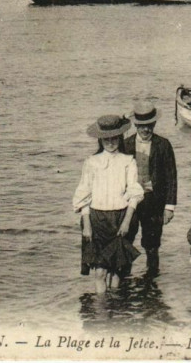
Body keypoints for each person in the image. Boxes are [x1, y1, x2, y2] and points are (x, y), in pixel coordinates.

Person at [73, 115, 144, 294]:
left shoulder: (128, 161)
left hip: (121, 217)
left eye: (114, 139)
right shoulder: (91, 162)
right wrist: (87, 225)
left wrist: (126, 222)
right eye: (106, 139)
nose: (111, 143)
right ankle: (101, 306)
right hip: (97, 220)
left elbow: (134, 194)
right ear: (100, 140)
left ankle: (114, 305)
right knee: (100, 272)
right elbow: (84, 195)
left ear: (120, 138)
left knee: (117, 270)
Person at [124, 102, 177, 278]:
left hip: (154, 201)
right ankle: (124, 280)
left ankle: (151, 282)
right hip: (129, 201)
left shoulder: (163, 145)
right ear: (135, 125)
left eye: (149, 125)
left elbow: (171, 177)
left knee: (152, 245)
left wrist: (169, 207)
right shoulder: (126, 144)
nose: (145, 129)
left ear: (154, 124)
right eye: (141, 126)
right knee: (126, 240)